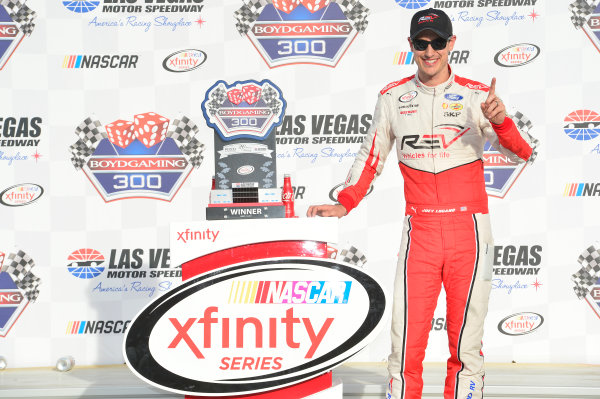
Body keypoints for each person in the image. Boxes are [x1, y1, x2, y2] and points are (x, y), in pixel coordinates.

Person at [306, 7, 537, 399]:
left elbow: (521, 152)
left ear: (452, 45)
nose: (429, 51)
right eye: (421, 43)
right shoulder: (393, 98)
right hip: (421, 234)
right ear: (411, 46)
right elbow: (371, 156)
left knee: (465, 346)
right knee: (405, 344)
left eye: (437, 42)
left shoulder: (478, 97)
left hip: (470, 232)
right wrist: (345, 203)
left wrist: (500, 122)